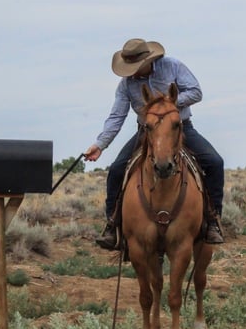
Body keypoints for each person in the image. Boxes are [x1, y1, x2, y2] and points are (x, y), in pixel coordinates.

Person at [84, 38, 225, 249]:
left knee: (214, 162)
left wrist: (167, 106)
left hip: (180, 128)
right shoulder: (126, 85)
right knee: (116, 170)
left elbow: (196, 92)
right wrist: (100, 144)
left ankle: (213, 220)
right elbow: (116, 117)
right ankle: (112, 225)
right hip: (147, 132)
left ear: (147, 61)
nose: (131, 73)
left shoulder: (173, 66)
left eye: (134, 67)